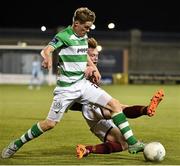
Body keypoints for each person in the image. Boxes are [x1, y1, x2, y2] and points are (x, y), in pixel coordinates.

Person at [2, 7, 153, 159]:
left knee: (114, 104)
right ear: (76, 24)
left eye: (89, 27)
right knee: (49, 124)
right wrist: (47, 57)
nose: (87, 30)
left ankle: (133, 143)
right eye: (85, 27)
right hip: (66, 90)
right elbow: (47, 49)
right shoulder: (64, 36)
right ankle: (17, 143)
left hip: (83, 85)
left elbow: (84, 54)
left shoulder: (83, 36)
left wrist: (93, 68)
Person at [69, 38, 164, 159]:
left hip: (94, 118)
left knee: (123, 143)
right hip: (89, 107)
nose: (95, 58)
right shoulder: (79, 69)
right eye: (92, 55)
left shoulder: (92, 69)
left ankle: (86, 149)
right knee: (117, 107)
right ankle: (146, 110)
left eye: (96, 55)